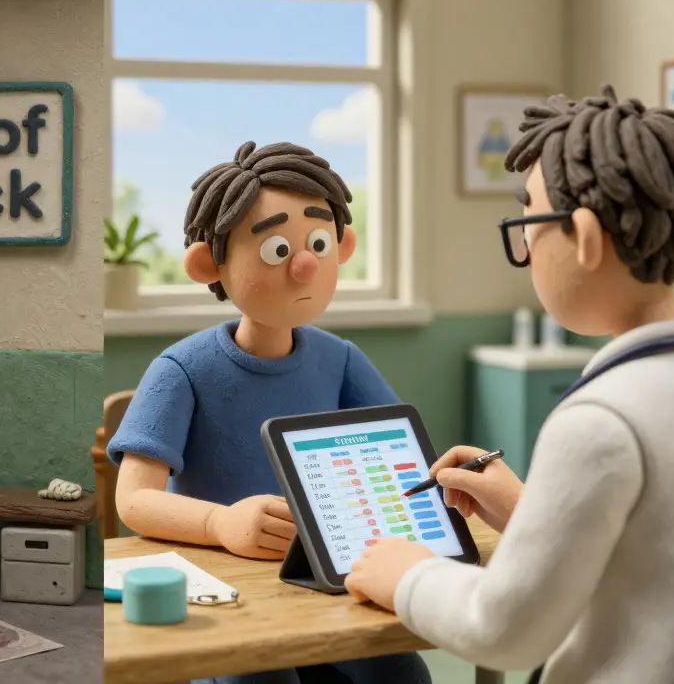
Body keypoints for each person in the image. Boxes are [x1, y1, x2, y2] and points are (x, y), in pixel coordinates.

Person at [344, 84, 674, 683]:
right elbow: (663, 551)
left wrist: (407, 573)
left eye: (529, 220)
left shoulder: (601, 421)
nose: (526, 246)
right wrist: (533, 512)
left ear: (581, 238)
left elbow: (502, 630)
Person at [108, 142, 431, 684]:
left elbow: (402, 452)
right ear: (209, 264)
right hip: (229, 597)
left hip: (327, 585)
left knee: (402, 671)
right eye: (278, 249)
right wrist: (220, 522)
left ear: (342, 246)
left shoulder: (340, 360)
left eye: (320, 242)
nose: (305, 266)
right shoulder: (180, 370)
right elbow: (133, 500)